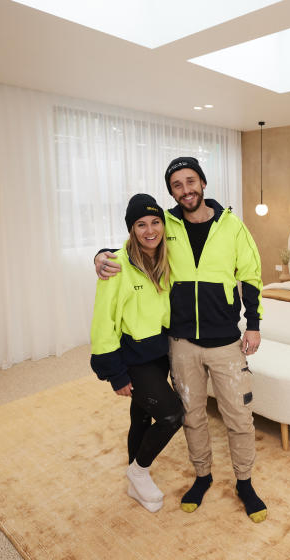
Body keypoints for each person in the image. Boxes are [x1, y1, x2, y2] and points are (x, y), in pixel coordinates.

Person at [94, 156, 267, 523]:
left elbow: (251, 274)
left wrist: (253, 322)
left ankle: (245, 483)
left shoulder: (232, 226)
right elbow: (138, 244)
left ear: (203, 183)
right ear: (171, 192)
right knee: (191, 416)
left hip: (224, 342)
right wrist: (100, 255)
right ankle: (202, 477)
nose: (186, 190)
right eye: (177, 185)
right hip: (181, 343)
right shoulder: (166, 224)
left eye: (191, 181)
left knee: (239, 416)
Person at [90, 193, 184, 513]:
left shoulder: (167, 260)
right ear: (131, 229)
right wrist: (114, 372)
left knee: (142, 415)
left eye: (155, 222)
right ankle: (139, 470)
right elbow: (103, 323)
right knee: (172, 415)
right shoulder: (116, 265)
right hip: (133, 358)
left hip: (161, 353)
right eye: (140, 224)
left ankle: (134, 484)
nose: (149, 230)